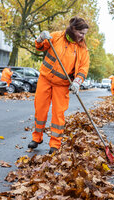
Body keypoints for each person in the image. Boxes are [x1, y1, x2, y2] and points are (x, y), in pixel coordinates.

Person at [28, 17, 90, 154]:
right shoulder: (56, 36)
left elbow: (84, 68)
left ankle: (55, 144)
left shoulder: (82, 49)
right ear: (73, 29)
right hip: (45, 79)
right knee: (40, 110)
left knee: (58, 114)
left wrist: (77, 82)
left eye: (84, 34)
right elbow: (39, 46)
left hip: (62, 85)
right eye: (81, 33)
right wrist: (40, 38)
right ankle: (36, 138)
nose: (83, 36)